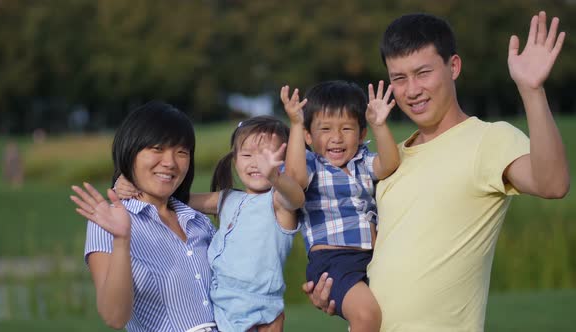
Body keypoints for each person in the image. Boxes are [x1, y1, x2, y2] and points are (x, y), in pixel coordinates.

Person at [308, 11, 570, 332]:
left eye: (423, 73)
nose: (412, 90)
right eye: (399, 78)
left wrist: (532, 91)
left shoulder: (489, 140)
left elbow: (553, 184)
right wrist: (338, 288)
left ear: (453, 67)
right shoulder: (390, 159)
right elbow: (375, 252)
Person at [115, 116, 305, 331]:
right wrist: (129, 182)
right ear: (235, 160)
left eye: (267, 156)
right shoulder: (227, 199)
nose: (257, 163)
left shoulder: (277, 202)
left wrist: (276, 178)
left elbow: (296, 198)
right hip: (221, 308)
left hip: (257, 309)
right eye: (247, 155)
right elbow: (172, 197)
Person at [70, 101, 219, 331]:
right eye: (157, 148)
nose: (169, 162)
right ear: (131, 152)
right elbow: (114, 318)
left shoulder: (198, 222)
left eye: (181, 152)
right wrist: (122, 240)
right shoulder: (107, 223)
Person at [281, 80, 400, 331]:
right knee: (367, 316)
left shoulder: (362, 161)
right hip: (333, 261)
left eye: (347, 128)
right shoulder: (311, 164)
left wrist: (380, 125)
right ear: (308, 136)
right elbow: (294, 178)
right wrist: (295, 124)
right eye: (325, 129)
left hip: (373, 257)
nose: (336, 138)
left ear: (362, 133)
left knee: (393, 315)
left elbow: (389, 164)